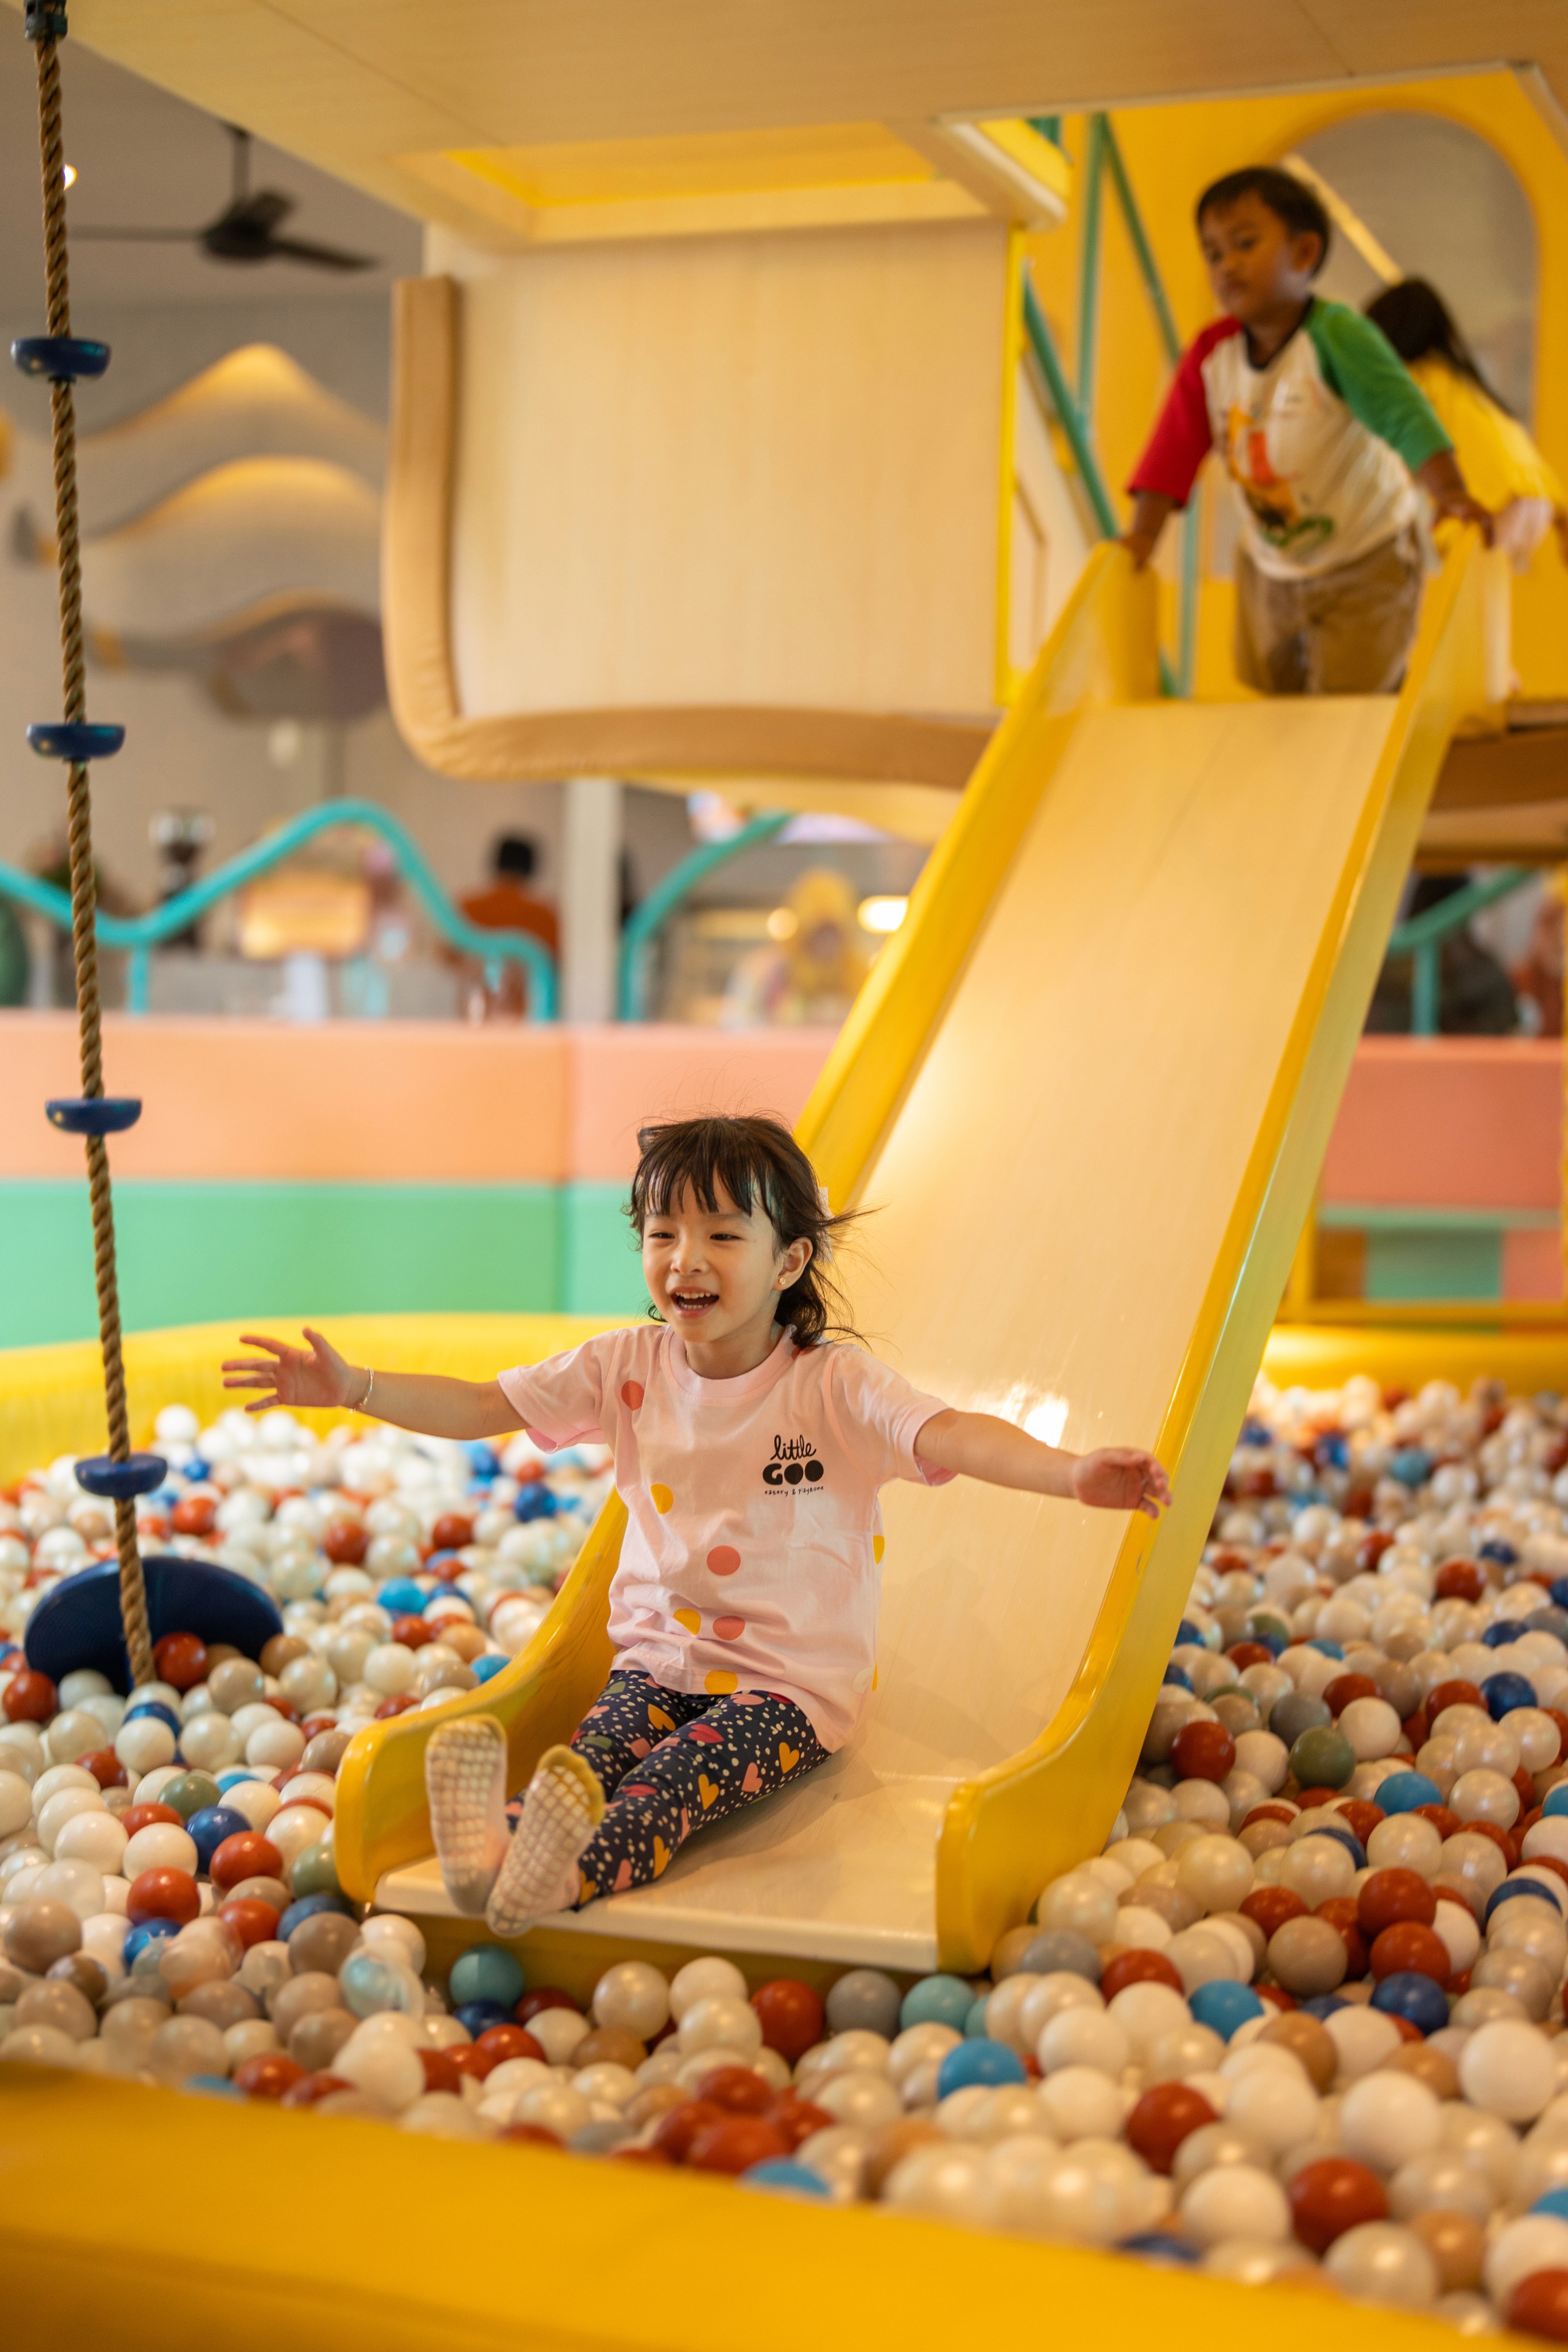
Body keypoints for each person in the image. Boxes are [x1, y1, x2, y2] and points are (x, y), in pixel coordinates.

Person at [222, 1114, 1170, 1936]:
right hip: (657, 1660)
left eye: (722, 1233)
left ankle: (559, 1873)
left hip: (789, 1691)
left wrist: (1071, 1472)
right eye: (663, 1230)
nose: (686, 1257)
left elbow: (954, 1434)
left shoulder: (830, 1387)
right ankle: (502, 1850)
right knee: (584, 1764)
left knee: (669, 1784)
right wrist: (356, 1389)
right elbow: (482, 1404)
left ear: (788, 1260)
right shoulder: (626, 1365)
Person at [1123, 166, 1491, 695]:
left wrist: (1449, 493)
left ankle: (1382, 699)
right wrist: (1143, 534)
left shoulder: (1337, 337)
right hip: (1271, 563)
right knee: (1268, 685)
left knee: (1349, 694)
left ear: (1303, 254)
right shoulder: (1211, 355)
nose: (1226, 265)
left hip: (1364, 553)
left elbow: (1402, 413)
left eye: (1244, 244)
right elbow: (1173, 446)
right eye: (1213, 253)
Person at [1365, 279, 1567, 575]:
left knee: (1449, 603)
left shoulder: (1413, 381)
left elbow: (1393, 464)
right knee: (1484, 603)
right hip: (1536, 502)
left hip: (1493, 504)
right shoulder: (1461, 383)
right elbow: (1513, 447)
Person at [457, 833, 559, 1019]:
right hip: (530, 1018)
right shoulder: (547, 915)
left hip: (475, 1016)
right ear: (532, 867)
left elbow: (445, 960)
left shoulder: (467, 907)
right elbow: (557, 965)